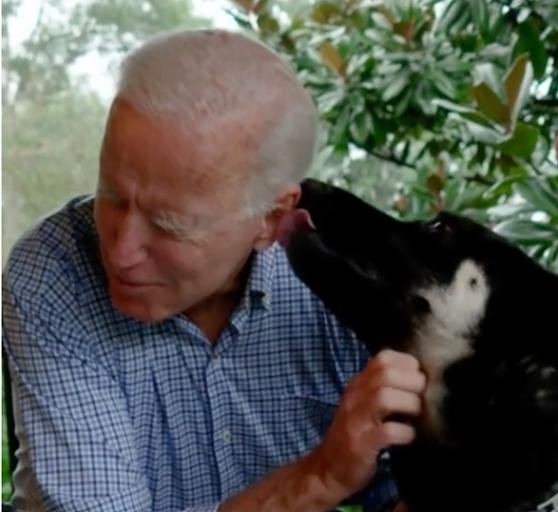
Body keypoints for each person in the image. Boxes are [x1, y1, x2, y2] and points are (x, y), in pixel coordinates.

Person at [2, 29, 426, 512]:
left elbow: (414, 488)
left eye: (168, 225)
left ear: (270, 219)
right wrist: (320, 477)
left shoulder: (348, 277)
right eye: (112, 197)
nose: (119, 251)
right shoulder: (54, 272)